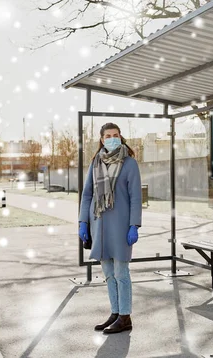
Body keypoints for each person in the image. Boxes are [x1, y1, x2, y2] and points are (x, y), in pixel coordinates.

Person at [78, 122, 142, 334]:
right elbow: (87, 194)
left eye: (115, 135)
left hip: (121, 226)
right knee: (108, 273)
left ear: (120, 137)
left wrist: (134, 225)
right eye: (108, 135)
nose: (112, 138)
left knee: (121, 272)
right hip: (99, 226)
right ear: (102, 139)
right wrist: (82, 222)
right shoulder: (95, 163)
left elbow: (135, 197)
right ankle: (115, 313)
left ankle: (125, 316)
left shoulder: (129, 163)